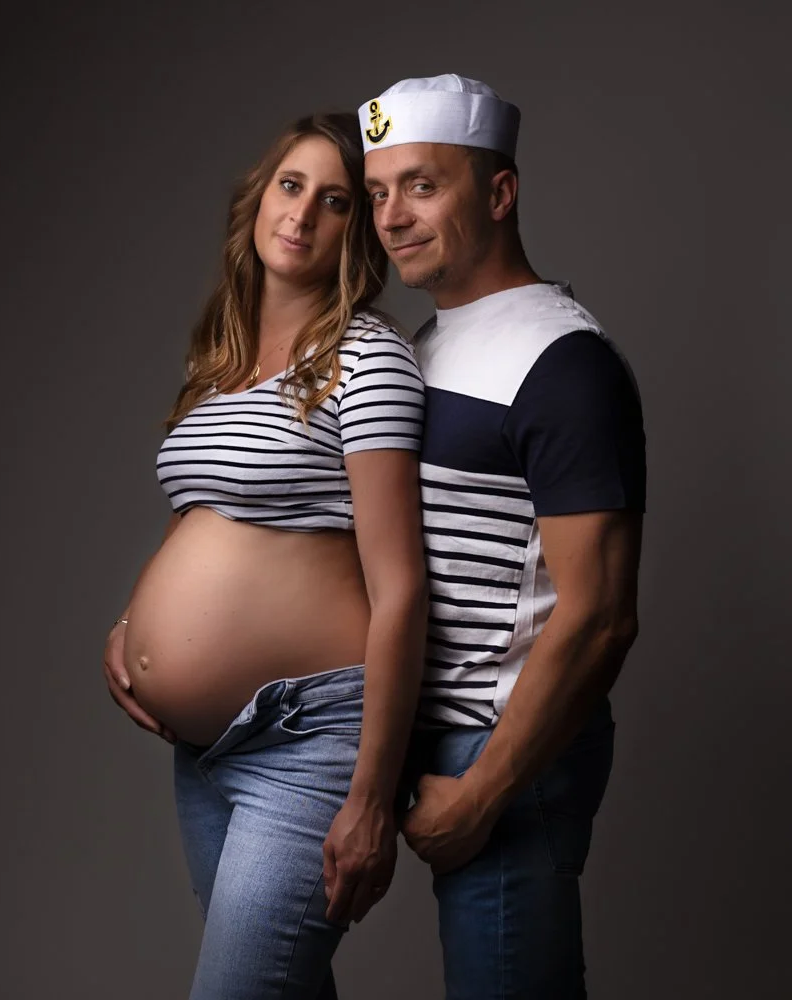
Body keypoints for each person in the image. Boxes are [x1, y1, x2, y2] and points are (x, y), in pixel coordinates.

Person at [102, 111, 428, 1000]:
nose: (303, 215)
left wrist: (370, 797)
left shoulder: (368, 359)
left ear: (354, 235)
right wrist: (135, 624)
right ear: (261, 196)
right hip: (207, 751)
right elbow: (206, 513)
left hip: (309, 739)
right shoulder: (226, 362)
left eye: (334, 203)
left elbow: (400, 589)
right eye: (292, 187)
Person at [359, 75, 647, 997]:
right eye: (376, 193)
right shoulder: (427, 342)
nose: (392, 217)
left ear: (497, 192)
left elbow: (600, 617)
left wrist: (482, 791)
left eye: (421, 185)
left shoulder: (562, 363)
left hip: (503, 749)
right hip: (432, 736)